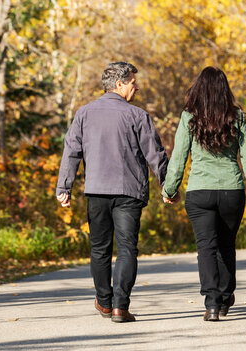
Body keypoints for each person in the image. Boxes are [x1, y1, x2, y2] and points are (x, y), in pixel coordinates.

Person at [56, 62, 168, 323]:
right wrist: (167, 185)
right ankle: (120, 306)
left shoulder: (84, 113)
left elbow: (71, 151)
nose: (136, 87)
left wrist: (65, 186)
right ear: (119, 84)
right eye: (132, 82)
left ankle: (104, 303)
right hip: (129, 192)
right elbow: (156, 154)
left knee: (99, 248)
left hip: (96, 191)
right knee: (127, 248)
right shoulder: (137, 116)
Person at [162, 66, 246, 321]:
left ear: (198, 89)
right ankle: (226, 295)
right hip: (232, 190)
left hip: (200, 191)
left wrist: (169, 189)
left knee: (206, 247)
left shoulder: (189, 117)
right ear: (224, 90)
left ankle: (212, 304)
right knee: (227, 245)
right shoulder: (236, 117)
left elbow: (178, 156)